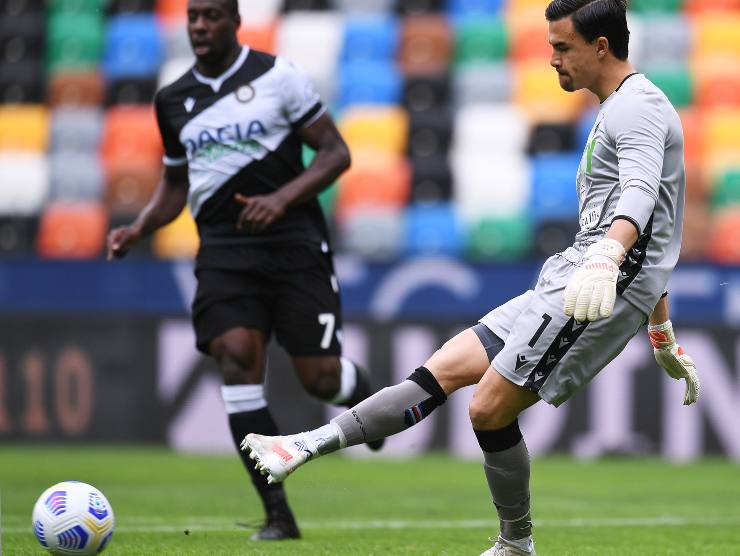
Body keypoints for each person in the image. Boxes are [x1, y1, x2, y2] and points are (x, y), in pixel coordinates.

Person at [241, 1, 700, 554]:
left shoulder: (640, 107)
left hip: (597, 286)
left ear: (601, 46)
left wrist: (606, 259)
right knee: (442, 368)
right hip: (581, 273)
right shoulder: (619, 106)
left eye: (562, 47)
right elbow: (658, 226)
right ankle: (305, 446)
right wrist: (661, 332)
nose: (551, 58)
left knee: (487, 408)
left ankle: (515, 545)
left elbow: (642, 199)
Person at [106, 0, 384, 541]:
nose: (200, 27)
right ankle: (278, 513)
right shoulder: (172, 100)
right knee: (236, 358)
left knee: (318, 378)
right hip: (224, 250)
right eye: (192, 18)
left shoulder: (278, 78)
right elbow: (175, 182)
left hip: (293, 243)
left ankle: (359, 388)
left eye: (211, 16)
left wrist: (281, 198)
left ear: (235, 22)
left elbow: (335, 153)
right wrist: (140, 226)